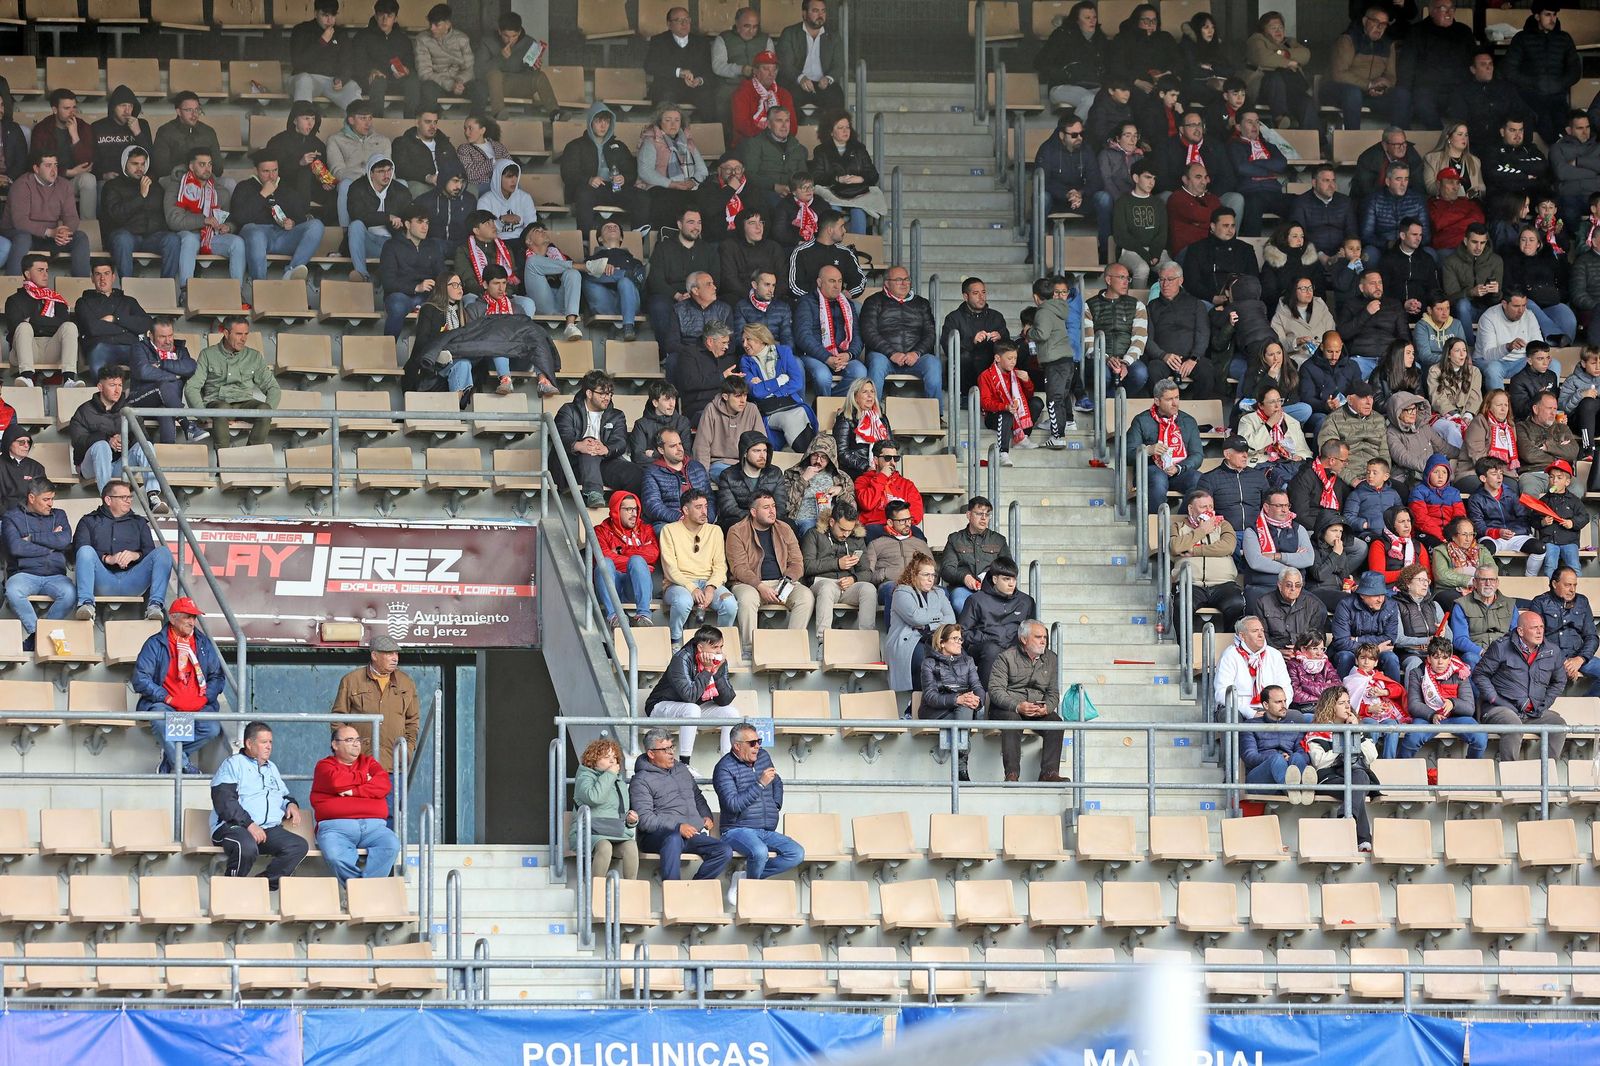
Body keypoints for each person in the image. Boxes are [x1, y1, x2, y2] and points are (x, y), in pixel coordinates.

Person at [210, 722, 309, 890]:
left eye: (271, 742)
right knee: (246, 846)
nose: (269, 747)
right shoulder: (233, 764)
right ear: (249, 744)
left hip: (267, 829)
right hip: (233, 826)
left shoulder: (272, 768)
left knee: (298, 846)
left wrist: (291, 804)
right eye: (264, 742)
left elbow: (283, 795)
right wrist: (249, 824)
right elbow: (224, 801)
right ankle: (231, 892)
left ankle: (261, 886)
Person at [131, 596, 224, 773]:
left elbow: (217, 676)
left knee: (212, 728)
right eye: (187, 617)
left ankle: (171, 758)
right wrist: (166, 697)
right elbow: (140, 678)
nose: (192, 622)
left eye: (194, 617)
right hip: (167, 706)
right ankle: (184, 765)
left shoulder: (203, 643)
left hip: (198, 706)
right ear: (173, 618)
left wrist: (205, 699)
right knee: (159, 719)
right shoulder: (156, 643)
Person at [629, 724, 732, 881]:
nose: (671, 753)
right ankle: (673, 892)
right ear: (651, 753)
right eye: (665, 750)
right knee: (674, 838)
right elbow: (645, 820)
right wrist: (677, 827)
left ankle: (692, 889)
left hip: (689, 834)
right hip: (656, 837)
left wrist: (705, 814)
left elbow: (697, 796)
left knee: (724, 850)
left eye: (672, 747)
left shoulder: (681, 769)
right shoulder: (640, 780)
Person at [713, 721, 803, 898]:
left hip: (765, 829)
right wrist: (760, 784)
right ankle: (750, 893)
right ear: (737, 746)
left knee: (796, 853)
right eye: (752, 743)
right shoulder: (723, 768)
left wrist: (775, 805)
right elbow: (732, 804)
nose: (758, 746)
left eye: (759, 741)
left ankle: (746, 879)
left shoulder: (763, 756)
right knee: (759, 852)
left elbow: (777, 781)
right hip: (735, 829)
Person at [328, 633, 420, 805]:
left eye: (396, 654)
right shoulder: (351, 680)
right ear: (374, 655)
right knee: (359, 812)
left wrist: (407, 749)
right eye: (389, 653)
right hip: (359, 765)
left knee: (391, 815)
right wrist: (346, 751)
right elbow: (337, 719)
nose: (395, 658)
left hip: (393, 765)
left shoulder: (406, 683)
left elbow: (413, 721)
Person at [70, 471, 172, 623]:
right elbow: (77, 551)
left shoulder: (139, 522)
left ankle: (155, 606)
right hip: (102, 580)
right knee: (85, 551)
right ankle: (86, 605)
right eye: (123, 497)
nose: (129, 501)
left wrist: (135, 555)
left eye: (130, 497)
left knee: (163, 552)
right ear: (108, 500)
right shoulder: (88, 521)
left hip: (133, 579)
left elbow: (150, 552)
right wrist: (107, 558)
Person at [310, 724, 401, 885]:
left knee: (391, 845)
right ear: (335, 744)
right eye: (349, 740)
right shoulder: (324, 766)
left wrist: (352, 791)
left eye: (358, 740)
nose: (356, 744)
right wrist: (365, 778)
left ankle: (362, 891)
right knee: (335, 855)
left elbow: (384, 785)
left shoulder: (370, 762)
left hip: (374, 829)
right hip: (336, 829)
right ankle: (361, 891)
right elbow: (336, 782)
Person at [1475, 608, 1568, 761]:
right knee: (1514, 726)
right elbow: (1480, 674)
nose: (1539, 632)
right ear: (1520, 631)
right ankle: (1511, 779)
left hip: (1534, 712)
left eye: (1541, 627)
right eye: (1534, 628)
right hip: (1499, 709)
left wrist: (1544, 704)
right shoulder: (1501, 647)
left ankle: (1544, 777)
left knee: (1559, 725)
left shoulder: (1552, 651)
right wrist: (1494, 699)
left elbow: (1559, 681)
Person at [726, 485, 811, 647]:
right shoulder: (737, 531)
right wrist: (760, 587)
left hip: (782, 582)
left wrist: (785, 582)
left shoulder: (784, 528)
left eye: (773, 506)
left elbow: (797, 562)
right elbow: (739, 568)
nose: (772, 511)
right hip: (749, 584)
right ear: (753, 512)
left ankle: (792, 648)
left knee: (805, 596)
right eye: (766, 508)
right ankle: (749, 648)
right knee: (747, 598)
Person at [645, 625, 742, 763]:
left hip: (692, 712)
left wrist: (717, 670)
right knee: (692, 708)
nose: (719, 651)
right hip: (661, 707)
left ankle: (727, 763)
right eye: (715, 648)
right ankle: (685, 763)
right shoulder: (682, 658)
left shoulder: (718, 662)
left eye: (721, 647)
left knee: (731, 713)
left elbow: (726, 699)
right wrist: (708, 670)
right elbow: (689, 696)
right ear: (700, 648)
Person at [987, 620, 1065, 783]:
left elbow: (1053, 692)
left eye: (1045, 637)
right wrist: (1017, 706)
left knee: (1056, 722)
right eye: (1038, 637)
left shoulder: (1051, 658)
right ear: (1023, 639)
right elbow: (996, 691)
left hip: (1036, 708)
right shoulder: (1005, 657)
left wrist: (1047, 708)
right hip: (1007, 708)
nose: (1043, 640)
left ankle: (1049, 773)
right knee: (1012, 720)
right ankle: (1012, 774)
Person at [2, 479, 73, 651]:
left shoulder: (59, 514)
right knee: (12, 590)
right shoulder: (12, 517)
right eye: (46, 499)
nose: (51, 504)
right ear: (32, 498)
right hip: (25, 574)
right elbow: (16, 547)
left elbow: (64, 540)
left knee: (70, 594)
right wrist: (51, 546)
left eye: (52, 499)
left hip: (56, 576)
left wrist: (32, 538)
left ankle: (34, 639)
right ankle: (38, 634)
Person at [659, 489, 739, 642]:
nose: (704, 512)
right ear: (685, 510)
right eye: (698, 507)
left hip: (708, 582)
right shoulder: (669, 530)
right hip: (678, 584)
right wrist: (691, 587)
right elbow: (670, 569)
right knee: (683, 601)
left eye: (706, 506)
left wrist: (711, 587)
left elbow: (720, 566)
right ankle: (675, 641)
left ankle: (718, 644)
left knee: (729, 604)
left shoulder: (715, 530)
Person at [1303, 688, 1378, 851]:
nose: (1347, 707)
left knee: (1359, 778)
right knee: (1359, 785)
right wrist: (1346, 750)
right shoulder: (1317, 730)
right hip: (1329, 777)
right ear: (1330, 706)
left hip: (1354, 775)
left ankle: (1346, 816)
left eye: (1348, 703)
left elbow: (1372, 754)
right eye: (1341, 703)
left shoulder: (1355, 727)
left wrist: (1355, 732)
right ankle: (1363, 839)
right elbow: (1320, 761)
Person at [186, 318, 278, 449]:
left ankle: (251, 457)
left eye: (246, 334)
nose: (244, 339)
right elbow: (192, 387)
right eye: (239, 334)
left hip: (244, 403)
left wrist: (269, 413)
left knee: (265, 410)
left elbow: (273, 387)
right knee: (222, 409)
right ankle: (223, 463)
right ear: (226, 333)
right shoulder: (208, 354)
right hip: (217, 403)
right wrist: (202, 415)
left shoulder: (254, 356)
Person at [555, 370, 640, 510]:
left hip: (605, 462)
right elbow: (562, 436)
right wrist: (578, 445)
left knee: (636, 473)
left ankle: (630, 508)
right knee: (589, 443)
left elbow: (620, 441)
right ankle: (593, 493)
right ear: (589, 393)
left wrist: (606, 449)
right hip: (574, 465)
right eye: (603, 393)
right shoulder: (568, 410)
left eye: (610, 394)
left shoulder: (617, 415)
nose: (607, 397)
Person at [164, 147, 244, 296]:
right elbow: (173, 220)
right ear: (191, 166)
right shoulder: (177, 186)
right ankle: (185, 292)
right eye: (202, 164)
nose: (207, 169)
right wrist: (203, 220)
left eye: (209, 164)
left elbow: (230, 218)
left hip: (212, 236)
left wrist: (228, 227)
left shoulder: (219, 190)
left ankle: (237, 294)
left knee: (237, 242)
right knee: (189, 240)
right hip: (189, 233)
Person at [859, 266, 940, 404]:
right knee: (877, 363)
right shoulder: (873, 301)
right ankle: (872, 414)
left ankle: (936, 416)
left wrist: (916, 353)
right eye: (898, 280)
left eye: (906, 279)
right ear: (886, 283)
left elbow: (930, 333)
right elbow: (869, 332)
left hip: (914, 358)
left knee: (933, 363)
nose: (904, 283)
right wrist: (892, 353)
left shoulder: (922, 303)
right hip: (884, 357)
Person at [1504, 1, 1580, 146]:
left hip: (1557, 97)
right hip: (1531, 97)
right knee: (1545, 123)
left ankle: (1564, 159)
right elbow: (1509, 70)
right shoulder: (1522, 38)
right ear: (1537, 16)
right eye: (1547, 14)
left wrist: (1560, 83)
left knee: (1565, 125)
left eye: (1555, 15)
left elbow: (1575, 70)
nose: (1553, 19)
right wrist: (1532, 83)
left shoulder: (1564, 39)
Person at [1324, 4, 1410, 131]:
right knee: (1353, 93)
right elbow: (1339, 74)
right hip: (1342, 92)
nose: (1380, 27)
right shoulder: (1348, 39)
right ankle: (1353, 139)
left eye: (1384, 24)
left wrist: (1383, 85)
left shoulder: (1388, 44)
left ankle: (1398, 140)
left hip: (1372, 94)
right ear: (1365, 21)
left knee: (1402, 94)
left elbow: (1391, 76)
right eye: (1376, 22)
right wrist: (1369, 84)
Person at [1170, 489, 1245, 631]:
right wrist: (1202, 530)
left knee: (1237, 603)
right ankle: (1185, 649)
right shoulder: (1178, 526)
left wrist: (1193, 550)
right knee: (1182, 604)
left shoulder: (1223, 525)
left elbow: (1227, 547)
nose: (1209, 510)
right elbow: (1175, 547)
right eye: (1203, 507)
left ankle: (1229, 646)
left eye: (1211, 506)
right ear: (1191, 509)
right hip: (1191, 583)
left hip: (1223, 584)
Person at [3, 149, 86, 278]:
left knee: (80, 237)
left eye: (55, 165)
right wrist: (50, 232)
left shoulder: (64, 185)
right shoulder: (22, 184)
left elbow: (72, 217)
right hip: (18, 233)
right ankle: (11, 284)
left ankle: (81, 287)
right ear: (36, 168)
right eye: (48, 166)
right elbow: (20, 222)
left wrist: (65, 231)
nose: (54, 170)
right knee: (23, 238)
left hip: (49, 236)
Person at [102, 147, 178, 285]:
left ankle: (167, 287)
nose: (140, 168)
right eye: (135, 164)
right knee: (122, 239)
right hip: (126, 234)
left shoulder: (155, 187)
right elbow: (116, 216)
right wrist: (141, 196)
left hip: (151, 237)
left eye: (143, 164)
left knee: (172, 239)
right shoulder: (112, 186)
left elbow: (163, 217)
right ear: (125, 163)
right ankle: (127, 289)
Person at [1401, 636, 1486, 758]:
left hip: (1456, 717)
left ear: (1450, 658)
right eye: (1436, 657)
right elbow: (1414, 704)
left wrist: (1453, 703)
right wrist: (1432, 715)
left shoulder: (1460, 673)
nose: (1440, 662)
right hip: (1428, 718)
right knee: (1413, 738)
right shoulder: (1418, 673)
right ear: (1429, 658)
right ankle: (1403, 771)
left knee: (1480, 736)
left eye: (1445, 658)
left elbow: (1469, 707)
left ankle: (1470, 769)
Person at [887, 551, 955, 702]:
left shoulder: (939, 593)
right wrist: (938, 616)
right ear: (914, 574)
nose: (931, 579)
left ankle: (936, 704)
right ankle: (917, 705)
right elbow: (916, 618)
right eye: (926, 575)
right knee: (924, 662)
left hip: (933, 638)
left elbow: (951, 619)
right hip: (907, 642)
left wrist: (928, 623)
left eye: (933, 575)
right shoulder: (902, 592)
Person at [645, 206, 717, 346]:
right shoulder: (664, 247)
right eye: (691, 222)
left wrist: (697, 295)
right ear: (679, 224)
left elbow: (716, 279)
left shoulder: (708, 250)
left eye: (699, 222)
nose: (696, 227)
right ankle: (667, 354)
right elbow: (655, 280)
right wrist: (677, 295)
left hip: (699, 295)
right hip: (670, 296)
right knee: (658, 306)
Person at [120, 319, 200, 444]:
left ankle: (166, 459)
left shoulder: (180, 350)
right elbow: (143, 371)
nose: (168, 341)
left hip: (169, 403)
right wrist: (175, 376)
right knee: (163, 385)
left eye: (170, 336)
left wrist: (161, 363)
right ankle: (186, 424)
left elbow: (190, 367)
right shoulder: (139, 348)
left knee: (166, 412)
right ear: (150, 335)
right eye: (162, 337)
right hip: (140, 400)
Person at [572, 738, 639, 881]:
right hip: (588, 831)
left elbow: (622, 810)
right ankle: (595, 892)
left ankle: (630, 891)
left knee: (631, 846)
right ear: (593, 758)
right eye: (607, 757)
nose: (612, 761)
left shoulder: (617, 781)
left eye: (614, 757)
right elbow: (594, 798)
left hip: (613, 831)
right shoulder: (584, 777)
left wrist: (630, 820)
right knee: (604, 846)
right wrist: (609, 775)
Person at [739, 322, 813, 450]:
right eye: (743, 341)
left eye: (748, 339)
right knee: (793, 418)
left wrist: (770, 391)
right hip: (768, 411)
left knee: (800, 413)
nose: (744, 344)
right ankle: (806, 456)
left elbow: (797, 382)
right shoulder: (745, 360)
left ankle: (805, 455)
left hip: (790, 403)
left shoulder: (783, 352)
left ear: (761, 339)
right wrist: (779, 381)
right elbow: (755, 391)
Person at [794, 263, 864, 398]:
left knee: (860, 372)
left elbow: (857, 334)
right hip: (814, 355)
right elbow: (803, 336)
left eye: (839, 281)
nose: (837, 286)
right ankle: (822, 411)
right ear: (819, 282)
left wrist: (849, 354)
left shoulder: (847, 304)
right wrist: (826, 358)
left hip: (842, 355)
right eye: (832, 281)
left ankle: (833, 406)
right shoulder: (806, 302)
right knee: (822, 376)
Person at [802, 499, 873, 631]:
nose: (846, 534)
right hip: (821, 584)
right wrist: (837, 564)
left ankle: (867, 638)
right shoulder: (814, 534)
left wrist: (854, 579)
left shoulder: (856, 538)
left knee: (868, 589)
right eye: (842, 529)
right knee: (827, 587)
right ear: (831, 522)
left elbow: (867, 572)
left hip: (847, 586)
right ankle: (822, 642)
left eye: (849, 530)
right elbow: (806, 566)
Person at [376, 205, 444, 337]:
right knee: (398, 305)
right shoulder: (391, 246)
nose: (425, 227)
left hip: (427, 297)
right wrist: (416, 287)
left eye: (427, 223)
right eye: (419, 222)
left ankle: (431, 354)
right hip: (400, 295)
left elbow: (442, 274)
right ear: (407, 224)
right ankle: (387, 351)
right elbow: (388, 282)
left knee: (446, 305)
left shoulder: (433, 246)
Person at [638, 105, 709, 230]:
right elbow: (645, 172)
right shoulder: (651, 141)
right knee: (671, 199)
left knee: (705, 199)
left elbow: (702, 170)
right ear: (659, 122)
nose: (673, 124)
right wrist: (671, 184)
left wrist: (692, 182)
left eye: (677, 120)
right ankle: (667, 237)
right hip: (660, 187)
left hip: (687, 187)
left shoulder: (688, 142)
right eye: (668, 120)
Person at [594, 490, 658, 630]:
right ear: (616, 510)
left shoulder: (646, 529)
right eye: (628, 509)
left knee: (636, 561)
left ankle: (643, 616)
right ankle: (614, 617)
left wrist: (621, 551)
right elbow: (602, 556)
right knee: (605, 563)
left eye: (635, 509)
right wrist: (637, 557)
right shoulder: (600, 531)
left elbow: (653, 554)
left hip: (633, 585)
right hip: (613, 582)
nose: (634, 514)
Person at [345, 154, 412, 284]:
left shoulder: (401, 191)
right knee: (356, 225)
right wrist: (387, 217)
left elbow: (410, 217)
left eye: (389, 170)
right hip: (367, 242)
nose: (386, 175)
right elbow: (357, 214)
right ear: (371, 173)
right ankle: (362, 275)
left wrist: (401, 224)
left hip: (391, 243)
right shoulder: (357, 188)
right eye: (381, 171)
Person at [476, 9, 553, 119]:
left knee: (540, 76)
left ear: (520, 32)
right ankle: (498, 113)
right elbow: (479, 71)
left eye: (514, 36)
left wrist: (536, 66)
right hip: (494, 86)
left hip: (517, 84)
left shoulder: (530, 42)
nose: (510, 40)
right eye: (506, 36)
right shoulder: (487, 41)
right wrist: (500, 58)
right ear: (499, 31)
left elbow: (530, 74)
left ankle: (555, 113)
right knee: (494, 74)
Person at [1240, 685, 1313, 799]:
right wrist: (1276, 757)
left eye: (1285, 701)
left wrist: (1290, 757)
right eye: (1278, 702)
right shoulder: (1251, 725)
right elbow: (1250, 757)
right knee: (1277, 759)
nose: (1284, 706)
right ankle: (1293, 789)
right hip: (1259, 779)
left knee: (1298, 757)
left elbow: (1304, 753)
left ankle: (1302, 790)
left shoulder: (1294, 725)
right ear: (1266, 705)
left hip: (1289, 769)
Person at [939, 496, 1008, 615]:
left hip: (992, 589)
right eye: (979, 513)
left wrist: (990, 578)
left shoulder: (999, 540)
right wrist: (964, 577)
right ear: (968, 515)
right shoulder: (955, 539)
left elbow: (1009, 568)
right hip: (963, 589)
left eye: (987, 514)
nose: (984, 518)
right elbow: (946, 570)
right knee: (959, 602)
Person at [1216, 615, 1293, 721]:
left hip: (1271, 708)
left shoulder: (1274, 654)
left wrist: (1278, 709)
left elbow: (1286, 687)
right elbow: (1222, 693)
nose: (1261, 635)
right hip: (1240, 709)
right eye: (1255, 631)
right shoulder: (1230, 655)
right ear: (1242, 636)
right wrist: (1250, 713)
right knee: (1230, 717)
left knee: (1296, 717)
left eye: (1262, 630)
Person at [415, 4, 487, 115]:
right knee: (427, 89)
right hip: (436, 83)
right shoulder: (422, 39)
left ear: (448, 24)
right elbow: (424, 73)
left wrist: (459, 82)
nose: (432, 28)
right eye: (430, 24)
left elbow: (470, 69)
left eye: (436, 25)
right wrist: (450, 84)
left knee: (480, 89)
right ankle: (431, 124)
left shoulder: (462, 39)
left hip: (460, 83)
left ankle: (475, 124)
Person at [289, 0, 361, 111]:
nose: (329, 20)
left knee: (353, 87)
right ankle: (301, 124)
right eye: (325, 15)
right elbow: (298, 63)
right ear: (315, 13)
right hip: (308, 78)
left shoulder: (340, 33)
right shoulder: (301, 30)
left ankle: (358, 124)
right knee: (304, 80)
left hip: (331, 82)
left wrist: (342, 79)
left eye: (333, 15)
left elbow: (348, 62)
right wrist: (322, 41)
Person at [776, 0, 845, 114]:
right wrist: (801, 78)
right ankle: (792, 131)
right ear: (804, 13)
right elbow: (785, 64)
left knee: (836, 97)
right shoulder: (790, 33)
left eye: (823, 11)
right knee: (787, 97)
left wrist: (828, 79)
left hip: (823, 85)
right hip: (796, 84)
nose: (820, 15)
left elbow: (839, 66)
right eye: (815, 11)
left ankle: (831, 131)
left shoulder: (834, 36)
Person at [979, 341, 1043, 464]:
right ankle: (1003, 453)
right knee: (1006, 414)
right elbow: (985, 403)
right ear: (997, 358)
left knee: (1037, 403)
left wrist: (1027, 381)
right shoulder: (986, 375)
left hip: (1015, 412)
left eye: (1015, 358)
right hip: (995, 415)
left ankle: (1022, 438)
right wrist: (1005, 407)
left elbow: (1028, 397)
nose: (1013, 361)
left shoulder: (1016, 373)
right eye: (1009, 358)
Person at [1242, 488, 1314, 593]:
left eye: (1287, 505)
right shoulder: (1252, 531)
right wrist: (1292, 565)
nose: (1285, 510)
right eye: (1279, 506)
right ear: (1266, 507)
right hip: (1262, 586)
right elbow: (1256, 562)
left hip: (1294, 588)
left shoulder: (1298, 529)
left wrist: (1277, 556)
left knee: (1319, 607)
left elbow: (1308, 559)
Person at [641, 427, 714, 528]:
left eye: (680, 444)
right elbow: (652, 505)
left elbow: (710, 499)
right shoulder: (652, 472)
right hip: (669, 522)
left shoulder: (696, 467)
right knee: (662, 531)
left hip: (701, 518)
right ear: (661, 450)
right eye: (673, 446)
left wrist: (707, 518)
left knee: (717, 532)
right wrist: (681, 518)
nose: (679, 449)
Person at [694, 377, 762, 481]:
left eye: (745, 395)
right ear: (725, 396)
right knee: (734, 480)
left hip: (746, 463)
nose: (743, 400)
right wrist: (703, 477)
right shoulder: (711, 409)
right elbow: (702, 446)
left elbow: (761, 441)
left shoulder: (751, 409)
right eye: (738, 396)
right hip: (719, 463)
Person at [787, 208, 864, 299]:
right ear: (830, 230)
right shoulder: (801, 252)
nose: (845, 231)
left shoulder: (845, 253)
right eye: (841, 227)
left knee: (858, 309)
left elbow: (860, 280)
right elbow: (794, 286)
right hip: (810, 304)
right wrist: (818, 298)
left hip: (839, 302)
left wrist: (848, 293)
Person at [1450, 566, 1515, 668]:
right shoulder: (1462, 605)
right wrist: (1481, 652)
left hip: (1504, 653)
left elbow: (1516, 634)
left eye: (1492, 579)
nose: (1488, 583)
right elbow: (1459, 639)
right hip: (1477, 654)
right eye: (1483, 579)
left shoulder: (1510, 604)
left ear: (1497, 582)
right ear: (1475, 582)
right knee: (1470, 658)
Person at [854, 439, 924, 535]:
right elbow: (867, 504)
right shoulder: (863, 480)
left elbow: (916, 513)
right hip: (875, 526)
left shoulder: (907, 485)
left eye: (895, 459)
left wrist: (899, 524)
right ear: (876, 460)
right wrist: (882, 477)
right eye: (887, 458)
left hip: (901, 527)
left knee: (919, 536)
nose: (892, 462)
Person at [1517, 394, 1581, 498]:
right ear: (1536, 409)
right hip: (1534, 474)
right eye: (1549, 408)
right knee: (1529, 490)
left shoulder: (1562, 428)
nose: (1553, 413)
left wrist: (1548, 447)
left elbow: (1573, 452)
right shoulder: (1522, 427)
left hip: (1561, 474)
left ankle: (1561, 515)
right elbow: (1529, 455)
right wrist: (1560, 452)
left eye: (1555, 409)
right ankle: (1539, 515)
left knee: (1577, 488)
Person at [1291, 167, 1360, 260]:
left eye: (1333, 180)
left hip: (1343, 255)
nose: (1332, 185)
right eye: (1326, 181)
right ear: (1314, 183)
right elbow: (1297, 235)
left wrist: (1345, 251)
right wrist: (1319, 254)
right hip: (1311, 256)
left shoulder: (1345, 202)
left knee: (1360, 269)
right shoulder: (1301, 203)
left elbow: (1351, 232)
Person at [718, 211, 785, 306]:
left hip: (770, 298)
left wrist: (770, 296)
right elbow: (729, 280)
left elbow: (782, 279)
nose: (759, 227)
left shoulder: (774, 248)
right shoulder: (729, 247)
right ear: (742, 227)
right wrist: (753, 297)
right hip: (740, 298)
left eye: (761, 222)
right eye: (752, 223)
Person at [151, 92, 221, 181]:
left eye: (197, 109)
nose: (194, 114)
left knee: (229, 183)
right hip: (175, 178)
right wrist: (188, 169)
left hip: (204, 179)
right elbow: (160, 168)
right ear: (178, 111)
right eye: (189, 110)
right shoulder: (165, 131)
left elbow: (218, 168)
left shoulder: (208, 132)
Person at [832, 377, 892, 479]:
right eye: (865, 392)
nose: (870, 395)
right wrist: (866, 467)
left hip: (880, 471)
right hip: (854, 473)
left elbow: (890, 447)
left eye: (872, 392)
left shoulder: (882, 419)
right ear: (855, 397)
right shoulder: (845, 419)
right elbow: (841, 453)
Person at [455, 114, 508, 193]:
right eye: (465, 129)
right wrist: (494, 163)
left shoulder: (498, 146)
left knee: (516, 188)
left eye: (470, 128)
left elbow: (510, 167)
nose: (466, 132)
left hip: (501, 184)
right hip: (480, 186)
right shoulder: (464, 149)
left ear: (482, 130)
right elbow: (468, 174)